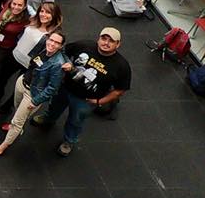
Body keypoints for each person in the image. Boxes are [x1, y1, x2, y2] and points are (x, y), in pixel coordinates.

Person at [33, 27, 131, 157]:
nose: (106, 43)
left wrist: (99, 101)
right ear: (99, 38)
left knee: (75, 121)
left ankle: (69, 141)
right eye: (104, 38)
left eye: (111, 41)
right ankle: (48, 119)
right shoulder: (84, 45)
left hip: (86, 100)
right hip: (65, 87)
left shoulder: (122, 66)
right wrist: (64, 67)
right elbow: (63, 52)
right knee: (54, 106)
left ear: (118, 44)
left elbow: (119, 91)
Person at [0, 31, 67, 157]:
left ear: (61, 46)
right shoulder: (43, 48)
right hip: (22, 82)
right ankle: (14, 125)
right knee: (17, 107)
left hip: (33, 94)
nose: (52, 44)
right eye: (51, 40)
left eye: (57, 43)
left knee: (17, 122)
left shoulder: (58, 64)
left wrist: (36, 101)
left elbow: (52, 88)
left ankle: (3, 146)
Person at [0, 1, 64, 114]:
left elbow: (60, 50)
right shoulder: (32, 21)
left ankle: (7, 105)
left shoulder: (53, 34)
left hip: (29, 65)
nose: (43, 14)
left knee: (19, 87)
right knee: (1, 77)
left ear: (54, 15)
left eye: (48, 12)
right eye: (42, 11)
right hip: (15, 55)